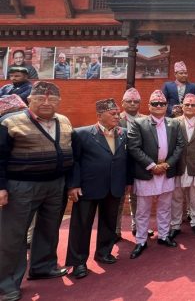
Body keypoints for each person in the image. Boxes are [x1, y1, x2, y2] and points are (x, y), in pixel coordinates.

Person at [0, 82, 73, 300]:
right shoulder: (9, 121)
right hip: (21, 186)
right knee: (13, 236)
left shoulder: (64, 121)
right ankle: (6, 285)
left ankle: (43, 266)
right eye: (40, 99)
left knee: (49, 229)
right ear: (29, 100)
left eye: (52, 99)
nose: (46, 103)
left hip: (56, 184)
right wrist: (1, 187)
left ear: (59, 102)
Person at [65, 98, 130, 279]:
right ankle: (78, 262)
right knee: (81, 225)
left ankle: (103, 252)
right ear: (99, 115)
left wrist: (127, 182)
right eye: (112, 113)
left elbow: (127, 160)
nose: (117, 116)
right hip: (88, 187)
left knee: (109, 222)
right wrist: (73, 185)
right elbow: (74, 161)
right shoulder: (81, 134)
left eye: (118, 113)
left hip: (114, 186)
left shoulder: (124, 133)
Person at [127, 90, 185, 259]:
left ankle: (164, 236)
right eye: (155, 103)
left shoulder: (174, 124)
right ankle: (141, 240)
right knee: (143, 209)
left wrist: (167, 164)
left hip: (166, 171)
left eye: (162, 104)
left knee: (165, 207)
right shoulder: (138, 123)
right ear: (149, 106)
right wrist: (152, 166)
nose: (159, 106)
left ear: (166, 106)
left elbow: (180, 146)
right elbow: (134, 147)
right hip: (147, 172)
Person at [170, 94, 195, 239]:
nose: (189, 107)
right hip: (178, 165)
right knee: (176, 197)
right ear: (182, 106)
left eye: (193, 105)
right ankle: (175, 225)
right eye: (187, 104)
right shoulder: (174, 122)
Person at [116, 87, 147, 239]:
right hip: (121, 165)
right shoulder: (116, 119)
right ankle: (116, 230)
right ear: (123, 103)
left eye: (136, 101)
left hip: (139, 164)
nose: (133, 104)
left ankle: (138, 227)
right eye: (129, 101)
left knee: (138, 198)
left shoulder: (146, 119)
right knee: (119, 198)